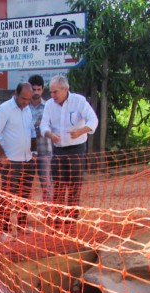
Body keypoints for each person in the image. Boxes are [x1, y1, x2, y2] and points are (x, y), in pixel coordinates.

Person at [40, 75, 98, 223]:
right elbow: (43, 125)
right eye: (51, 92)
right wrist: (49, 134)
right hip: (58, 151)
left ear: (65, 89)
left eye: (55, 92)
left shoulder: (79, 101)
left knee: (74, 186)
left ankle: (72, 220)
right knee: (58, 186)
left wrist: (81, 131)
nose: (52, 96)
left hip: (76, 150)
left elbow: (93, 120)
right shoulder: (49, 105)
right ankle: (58, 219)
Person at [0, 82, 37, 242]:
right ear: (15, 93)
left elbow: (32, 131)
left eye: (29, 99)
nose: (26, 102)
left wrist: (33, 152)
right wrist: (2, 155)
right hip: (10, 163)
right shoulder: (4, 109)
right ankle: (5, 230)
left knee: (25, 195)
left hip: (28, 160)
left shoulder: (27, 109)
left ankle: (22, 226)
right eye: (23, 98)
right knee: (7, 197)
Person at [28, 74, 53, 202]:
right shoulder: (23, 106)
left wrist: (39, 125)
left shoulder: (49, 106)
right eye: (33, 89)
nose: (36, 92)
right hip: (27, 150)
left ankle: (49, 214)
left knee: (47, 182)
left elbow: (51, 126)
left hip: (45, 149)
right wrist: (37, 125)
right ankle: (23, 214)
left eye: (38, 89)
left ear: (43, 90)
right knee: (25, 182)